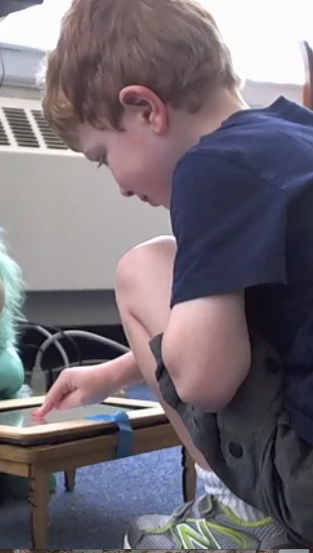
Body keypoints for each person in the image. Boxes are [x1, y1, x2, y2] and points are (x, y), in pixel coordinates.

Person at [34, 0, 313, 548]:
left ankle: (237, 515)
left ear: (145, 109)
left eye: (102, 155)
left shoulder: (209, 169)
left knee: (144, 268)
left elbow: (207, 379)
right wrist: (116, 373)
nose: (115, 182)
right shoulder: (294, 133)